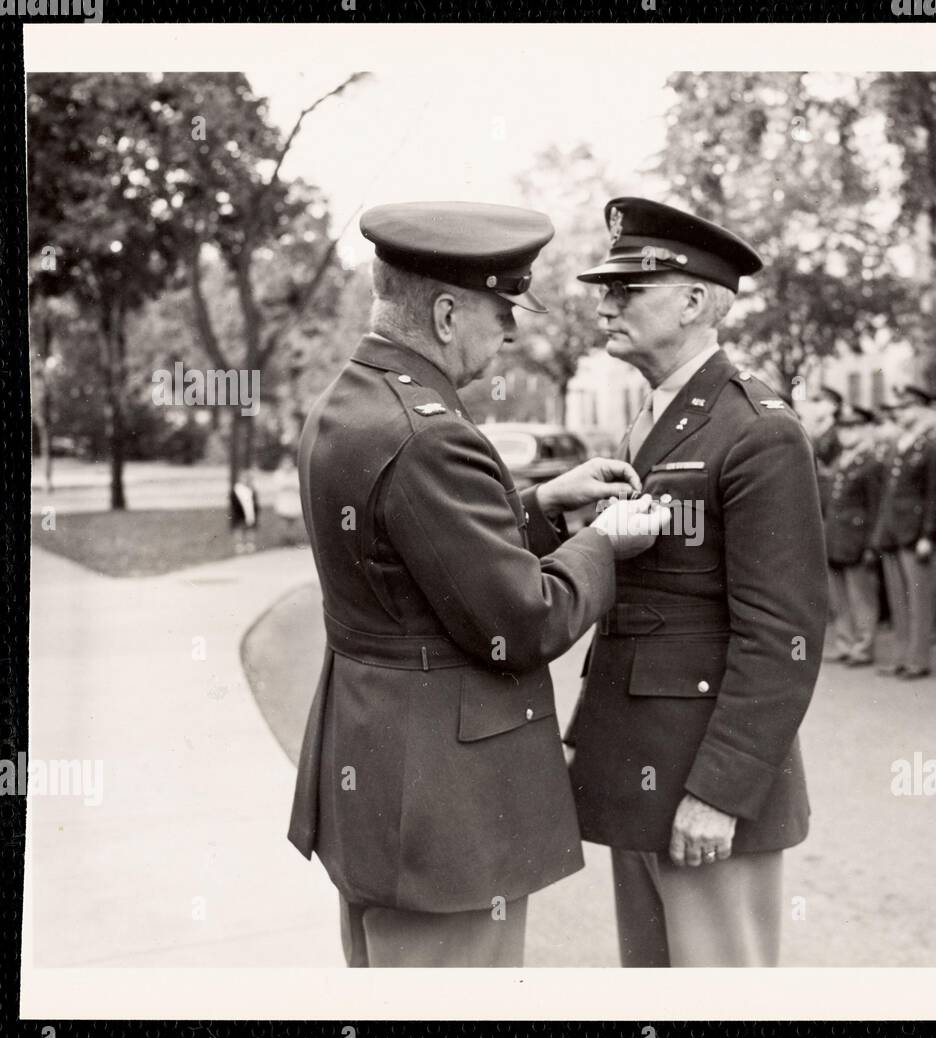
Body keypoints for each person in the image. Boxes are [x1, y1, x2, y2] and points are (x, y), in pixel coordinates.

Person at [287, 201, 668, 968]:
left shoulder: (355, 398)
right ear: (447, 311)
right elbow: (521, 623)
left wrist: (542, 509)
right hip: (442, 805)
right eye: (502, 310)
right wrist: (604, 544)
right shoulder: (431, 433)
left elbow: (417, 561)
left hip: (380, 772)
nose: (513, 332)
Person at [565, 197, 829, 967]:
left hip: (704, 781)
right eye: (608, 289)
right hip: (642, 763)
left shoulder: (756, 428)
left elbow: (783, 631)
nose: (607, 304)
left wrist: (720, 791)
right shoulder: (656, 418)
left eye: (628, 290)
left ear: (692, 301)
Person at [871, 382, 936, 680]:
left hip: (915, 531)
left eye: (907, 407)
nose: (901, 413)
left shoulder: (931, 446)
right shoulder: (899, 444)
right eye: (900, 408)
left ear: (921, 410)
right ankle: (901, 656)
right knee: (899, 600)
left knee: (918, 599)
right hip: (894, 530)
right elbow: (888, 495)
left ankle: (918, 659)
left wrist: (929, 535)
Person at [822, 405, 883, 666]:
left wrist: (872, 544)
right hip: (836, 537)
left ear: (864, 430)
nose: (846, 434)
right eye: (843, 429)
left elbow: (877, 507)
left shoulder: (871, 463)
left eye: (852, 428)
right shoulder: (841, 460)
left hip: (857, 539)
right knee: (839, 597)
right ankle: (845, 642)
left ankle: (863, 646)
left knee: (861, 597)